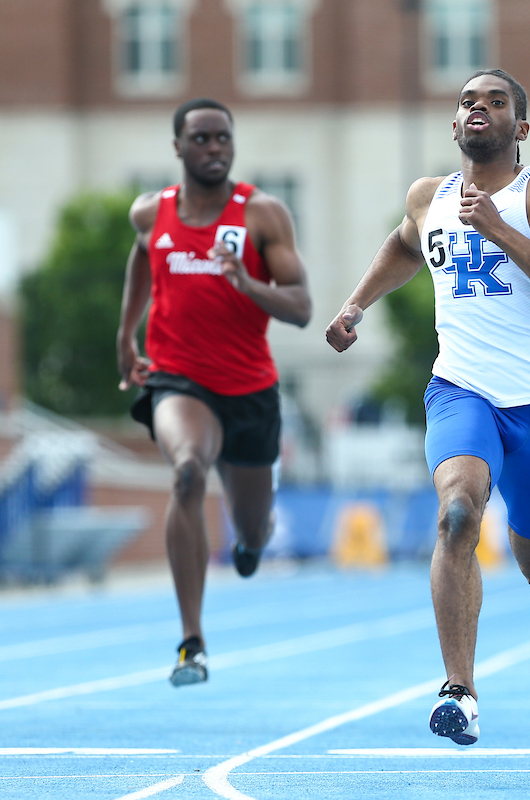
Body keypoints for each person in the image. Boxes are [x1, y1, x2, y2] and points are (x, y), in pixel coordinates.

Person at [325, 69, 530, 745]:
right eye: (468, 101)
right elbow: (403, 245)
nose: (479, 107)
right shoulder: (431, 197)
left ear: (521, 128)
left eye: (496, 101)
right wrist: (358, 303)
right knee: (457, 514)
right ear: (455, 126)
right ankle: (460, 690)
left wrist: (506, 234)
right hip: (461, 390)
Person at [116, 98, 312, 686]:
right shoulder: (151, 214)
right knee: (187, 472)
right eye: (200, 138)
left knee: (251, 531)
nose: (213, 148)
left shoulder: (262, 215)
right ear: (177, 146)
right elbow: (141, 264)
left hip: (250, 388)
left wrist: (247, 282)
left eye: (222, 138)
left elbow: (302, 307)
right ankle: (191, 642)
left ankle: (252, 541)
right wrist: (126, 334)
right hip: (179, 378)